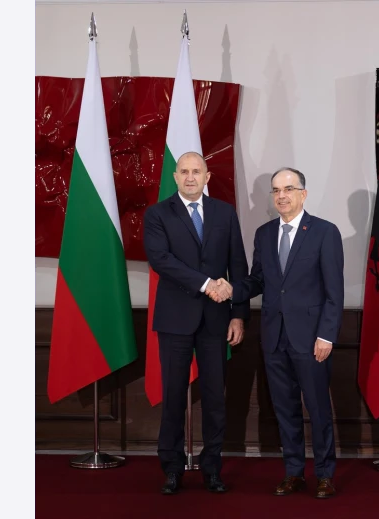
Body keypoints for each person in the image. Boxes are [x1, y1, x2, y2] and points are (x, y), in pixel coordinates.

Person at [207, 167, 344, 499]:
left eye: (288, 189)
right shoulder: (265, 234)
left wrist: (326, 336)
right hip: (274, 337)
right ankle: (294, 472)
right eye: (276, 190)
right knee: (284, 409)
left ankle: (325, 474)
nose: (281, 196)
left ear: (303, 194)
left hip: (311, 339)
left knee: (318, 409)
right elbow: (258, 280)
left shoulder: (324, 232)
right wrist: (231, 288)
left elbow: (334, 292)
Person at [142, 151, 250, 495]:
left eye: (196, 171)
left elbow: (238, 264)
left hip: (217, 320)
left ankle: (212, 468)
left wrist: (238, 313)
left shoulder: (225, 213)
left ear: (207, 177)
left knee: (215, 398)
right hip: (175, 318)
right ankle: (172, 468)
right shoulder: (158, 214)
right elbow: (160, 260)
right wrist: (207, 284)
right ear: (175, 177)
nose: (190, 177)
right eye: (184, 171)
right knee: (173, 396)